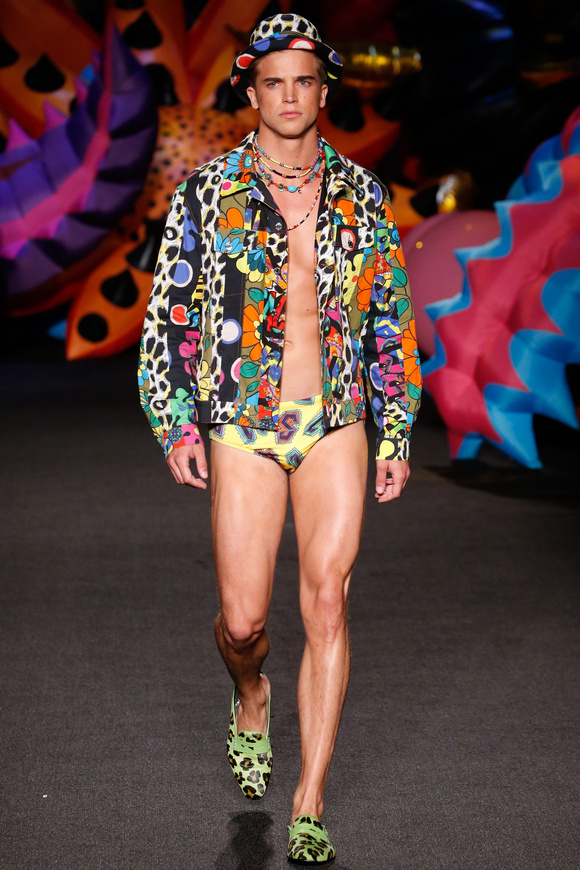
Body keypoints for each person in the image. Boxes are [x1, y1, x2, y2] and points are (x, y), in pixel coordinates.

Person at [139, 13, 421, 864]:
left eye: (304, 82)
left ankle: (310, 802)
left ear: (323, 91)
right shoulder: (208, 191)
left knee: (328, 602)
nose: (290, 97)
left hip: (336, 419)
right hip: (242, 421)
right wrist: (175, 421)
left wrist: (395, 431)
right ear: (252, 92)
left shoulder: (362, 194)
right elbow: (170, 314)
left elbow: (390, 318)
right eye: (275, 83)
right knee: (243, 621)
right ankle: (251, 692)